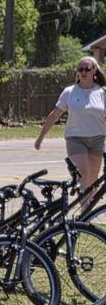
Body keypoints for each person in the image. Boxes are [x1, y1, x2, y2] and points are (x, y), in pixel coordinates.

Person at [35, 57, 106, 199]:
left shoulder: (103, 92)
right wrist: (40, 138)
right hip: (75, 139)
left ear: (95, 71)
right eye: (80, 69)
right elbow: (54, 115)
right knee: (83, 174)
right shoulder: (69, 92)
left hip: (97, 139)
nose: (83, 72)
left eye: (87, 69)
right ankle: (84, 208)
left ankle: (86, 214)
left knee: (92, 178)